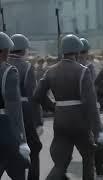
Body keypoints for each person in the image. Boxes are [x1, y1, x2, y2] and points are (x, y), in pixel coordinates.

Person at [33, 34, 103, 179]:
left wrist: (54, 107)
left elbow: (37, 95)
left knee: (60, 164)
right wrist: (98, 130)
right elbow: (90, 103)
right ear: (78, 51)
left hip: (60, 119)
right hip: (79, 121)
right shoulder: (83, 70)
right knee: (88, 157)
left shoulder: (51, 70)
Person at [9, 34, 43, 180]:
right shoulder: (27, 66)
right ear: (23, 50)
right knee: (34, 148)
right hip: (25, 112)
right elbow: (33, 96)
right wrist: (39, 121)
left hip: (6, 113)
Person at [0, 31, 31, 180]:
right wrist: (22, 140)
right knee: (18, 171)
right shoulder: (9, 71)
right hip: (5, 129)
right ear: (5, 51)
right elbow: (14, 109)